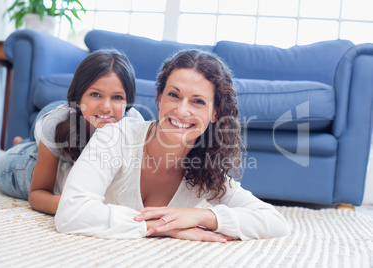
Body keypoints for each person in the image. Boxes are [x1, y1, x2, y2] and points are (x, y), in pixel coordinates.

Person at [55, 49, 291, 242]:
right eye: (174, 95)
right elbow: (70, 213)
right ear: (159, 98)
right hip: (55, 164)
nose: (181, 110)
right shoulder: (114, 136)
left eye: (198, 101)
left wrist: (203, 216)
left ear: (215, 112)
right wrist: (161, 227)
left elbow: (276, 222)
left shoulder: (206, 169)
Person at [0, 49, 143, 215]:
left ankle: (23, 144)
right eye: (96, 94)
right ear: (77, 98)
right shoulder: (55, 124)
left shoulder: (134, 125)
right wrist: (74, 207)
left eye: (117, 97)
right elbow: (37, 193)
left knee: (41, 144)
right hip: (59, 119)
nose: (106, 107)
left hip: (77, 114)